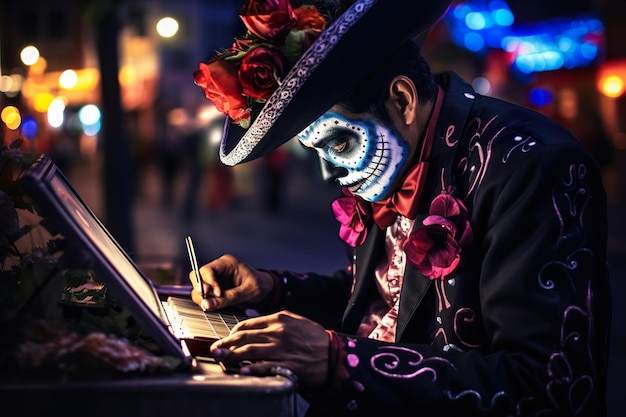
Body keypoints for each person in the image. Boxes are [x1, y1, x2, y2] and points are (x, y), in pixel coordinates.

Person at [190, 0, 611, 416]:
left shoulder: (532, 165)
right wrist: (272, 289)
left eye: (339, 143)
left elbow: (546, 389)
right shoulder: (390, 158)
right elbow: (385, 299)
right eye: (316, 151)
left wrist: (341, 361)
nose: (329, 175)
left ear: (403, 99)